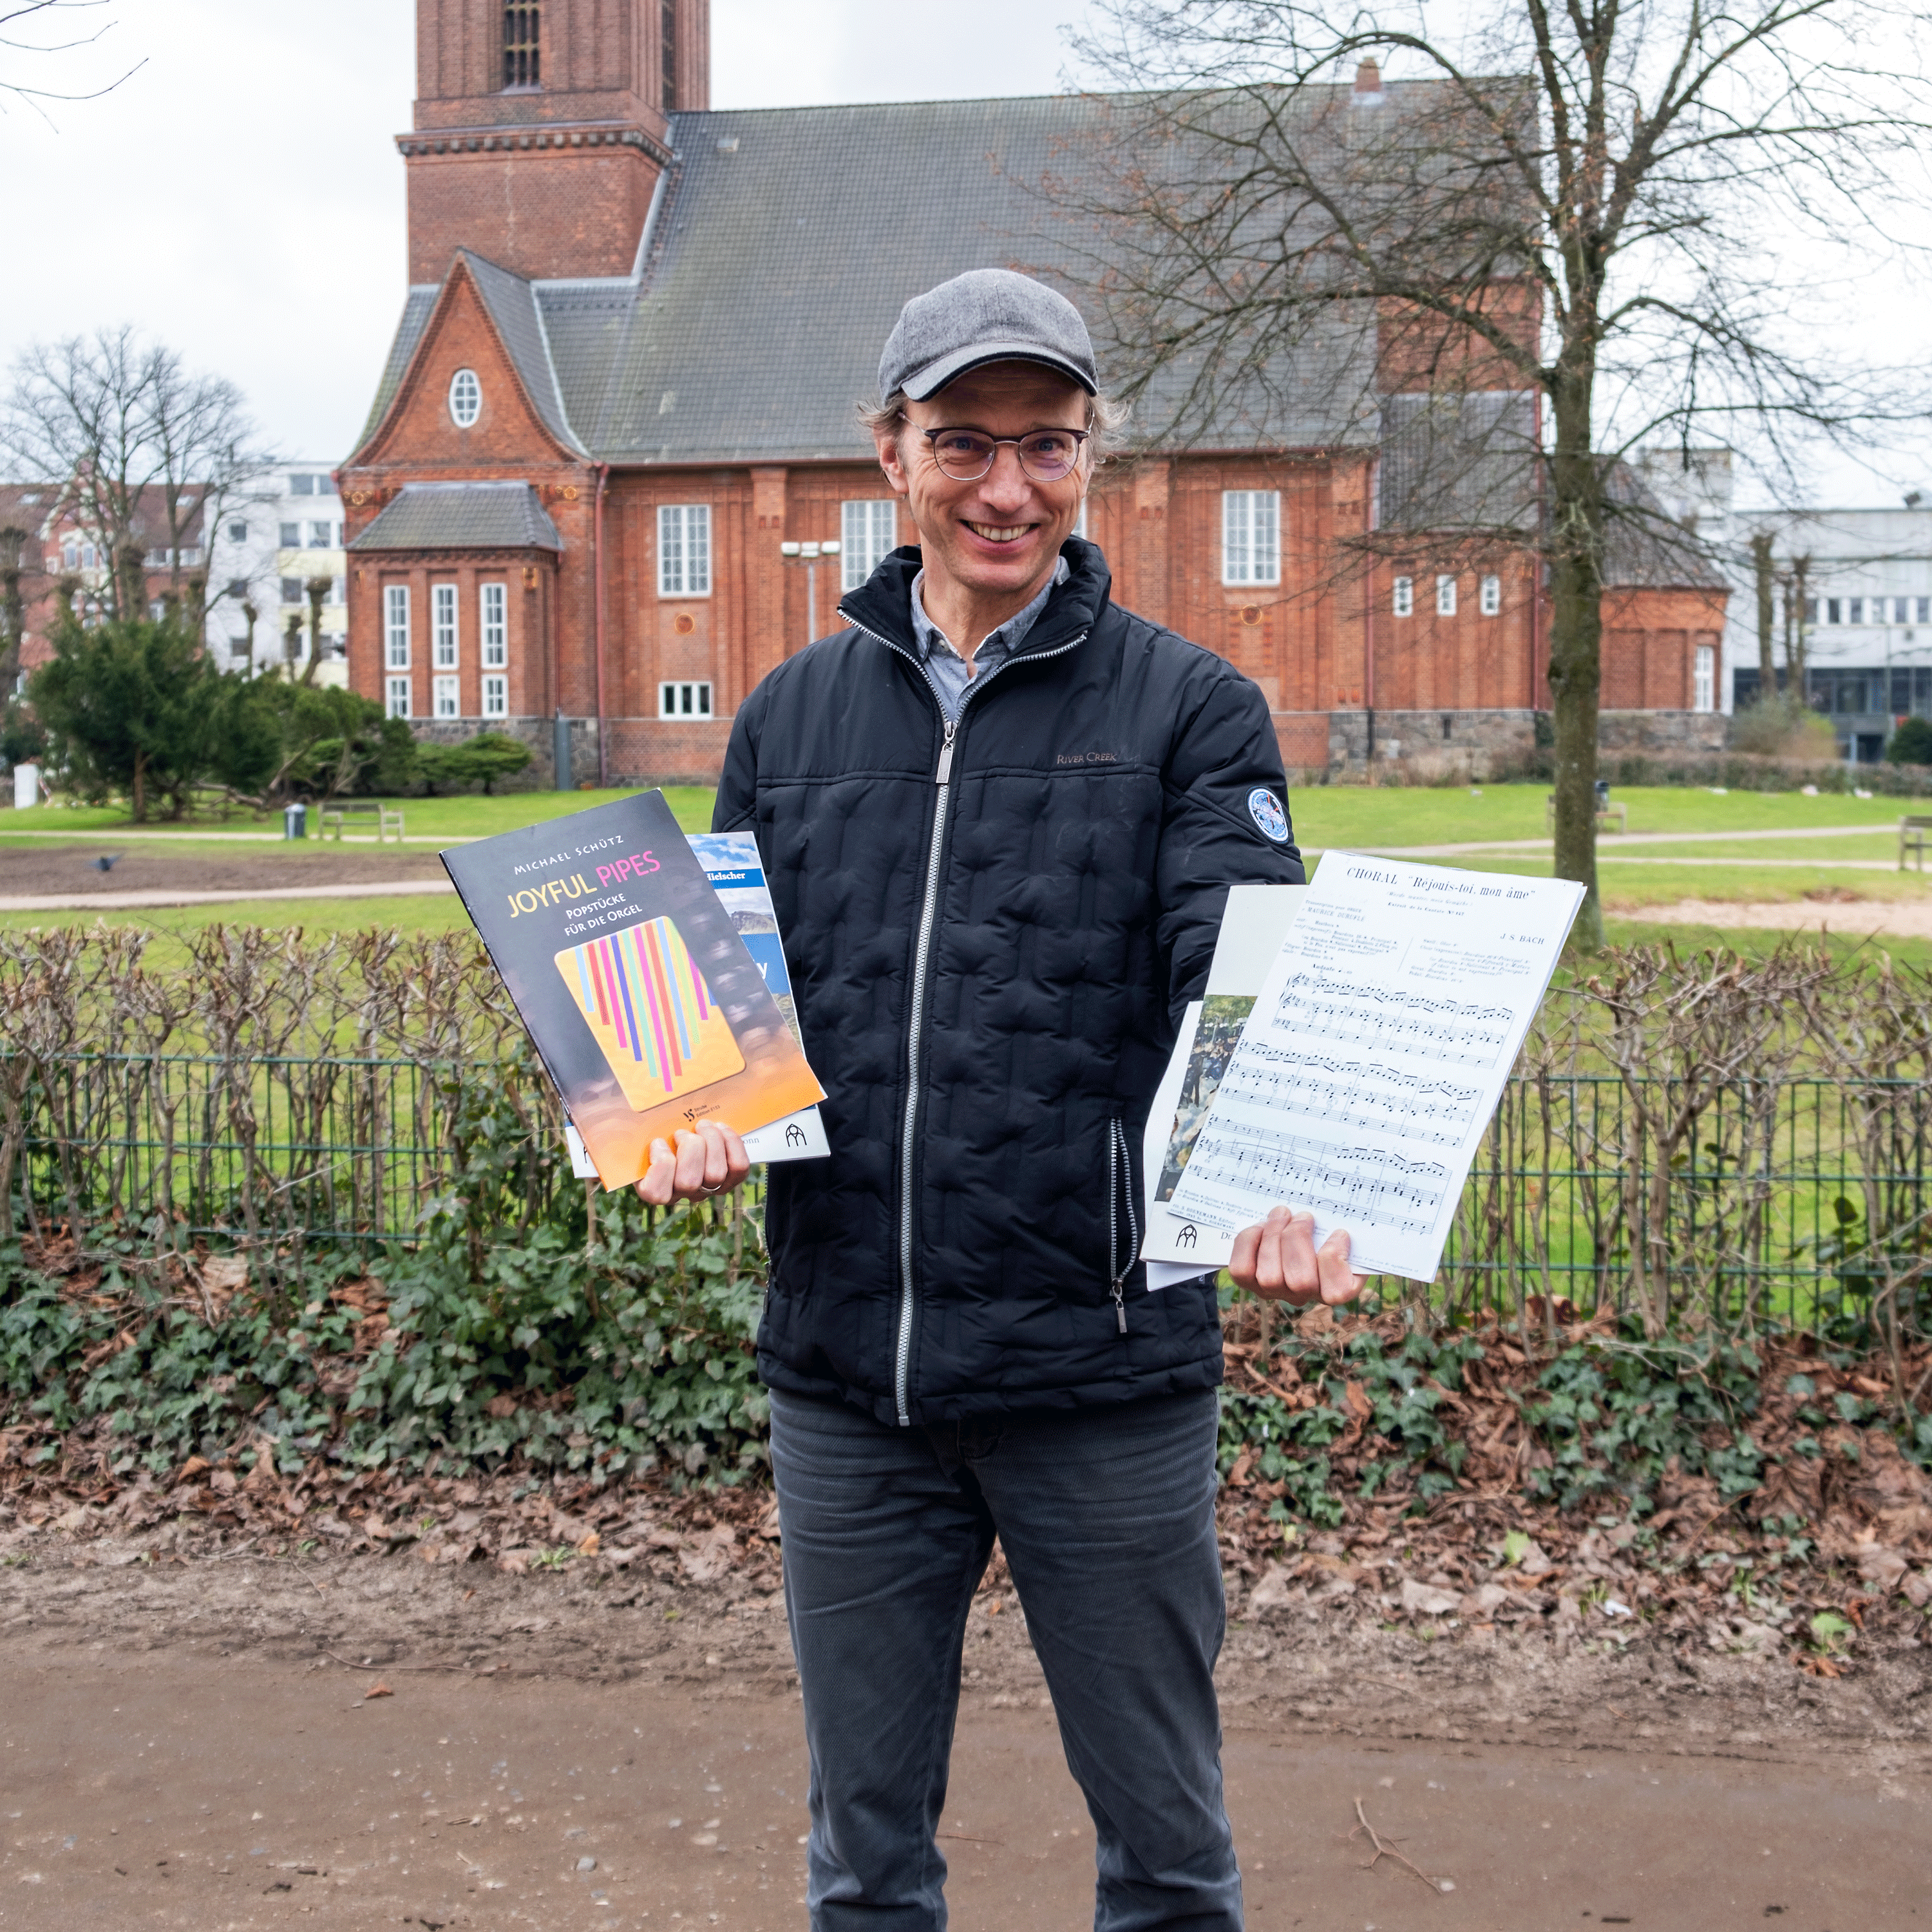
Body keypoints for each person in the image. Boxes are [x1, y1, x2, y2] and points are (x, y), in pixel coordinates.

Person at [641, 268, 1364, 1931]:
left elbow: (1238, 960)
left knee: (1171, 1866)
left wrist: (1285, 1165)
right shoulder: (783, 719)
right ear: (887, 454)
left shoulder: (1191, 708)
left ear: (1091, 462)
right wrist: (681, 1115)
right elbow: (729, 1028)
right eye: (965, 440)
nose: (1008, 488)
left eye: (1048, 445)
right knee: (864, 1871)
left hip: (1098, 1378)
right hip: (848, 1380)